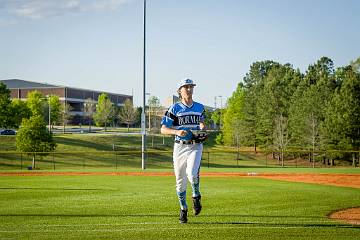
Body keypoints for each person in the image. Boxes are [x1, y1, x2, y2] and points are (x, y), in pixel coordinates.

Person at [160, 78, 206, 224]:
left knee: (191, 174)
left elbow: (202, 122)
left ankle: (196, 196)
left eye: (191, 87)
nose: (189, 89)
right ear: (179, 90)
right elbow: (163, 129)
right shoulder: (174, 108)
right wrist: (176, 132)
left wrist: (202, 127)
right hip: (180, 147)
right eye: (186, 87)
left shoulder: (199, 107)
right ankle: (183, 209)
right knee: (180, 182)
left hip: (195, 146)